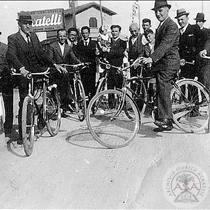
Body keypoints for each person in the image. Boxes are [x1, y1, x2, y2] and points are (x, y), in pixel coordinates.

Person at [6, 11, 64, 145]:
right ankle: (22, 136)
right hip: (24, 72)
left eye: (30, 23)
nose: (28, 26)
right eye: (25, 23)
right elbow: (11, 55)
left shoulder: (34, 37)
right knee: (23, 101)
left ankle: (50, 105)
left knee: (58, 73)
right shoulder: (13, 38)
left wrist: (54, 64)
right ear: (19, 24)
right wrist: (21, 68)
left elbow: (41, 54)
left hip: (37, 69)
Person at [140, 0, 180, 132]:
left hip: (169, 62)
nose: (158, 13)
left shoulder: (171, 26)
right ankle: (161, 116)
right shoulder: (161, 26)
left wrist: (151, 58)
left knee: (162, 83)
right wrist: (146, 59)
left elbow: (165, 46)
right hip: (162, 62)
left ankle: (166, 119)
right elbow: (157, 47)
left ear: (168, 10)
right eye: (156, 11)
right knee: (156, 85)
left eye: (160, 10)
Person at [48, 29, 81, 117]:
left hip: (64, 72)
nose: (62, 38)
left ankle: (63, 107)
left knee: (65, 87)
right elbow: (50, 59)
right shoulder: (52, 46)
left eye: (64, 36)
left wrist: (80, 63)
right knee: (54, 89)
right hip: (55, 71)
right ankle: (55, 107)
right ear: (57, 37)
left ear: (66, 36)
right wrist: (56, 66)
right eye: (60, 36)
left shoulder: (68, 47)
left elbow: (73, 56)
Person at [175, 8, 202, 79]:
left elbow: (200, 45)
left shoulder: (194, 28)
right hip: (183, 65)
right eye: (178, 20)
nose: (180, 22)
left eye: (182, 19)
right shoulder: (178, 32)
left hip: (194, 65)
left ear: (187, 18)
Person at [77, 26, 97, 102]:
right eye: (83, 33)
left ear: (89, 33)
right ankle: (85, 103)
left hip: (92, 68)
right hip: (83, 68)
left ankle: (92, 102)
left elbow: (97, 54)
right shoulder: (79, 44)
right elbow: (78, 55)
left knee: (92, 86)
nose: (85, 35)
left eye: (86, 33)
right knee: (84, 86)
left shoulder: (94, 43)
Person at [105, 25, 127, 90]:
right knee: (110, 89)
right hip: (110, 68)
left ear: (119, 32)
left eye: (116, 31)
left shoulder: (123, 42)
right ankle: (111, 100)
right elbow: (105, 54)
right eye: (113, 31)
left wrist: (109, 50)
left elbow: (119, 53)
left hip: (118, 67)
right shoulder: (108, 42)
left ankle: (120, 100)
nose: (114, 33)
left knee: (119, 88)